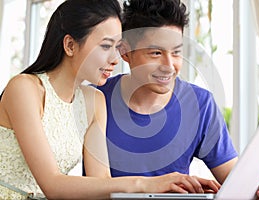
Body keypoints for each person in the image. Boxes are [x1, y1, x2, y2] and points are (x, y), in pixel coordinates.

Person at [0, 0, 220, 199]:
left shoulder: (94, 100)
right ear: (70, 46)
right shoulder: (24, 89)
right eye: (106, 46)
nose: (115, 59)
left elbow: (103, 185)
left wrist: (174, 191)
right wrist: (150, 184)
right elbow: (53, 185)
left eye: (117, 48)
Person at [93, 0, 259, 199]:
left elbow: (235, 183)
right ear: (125, 51)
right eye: (156, 53)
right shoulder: (96, 98)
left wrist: (256, 186)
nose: (169, 65)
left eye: (176, 52)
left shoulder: (200, 104)